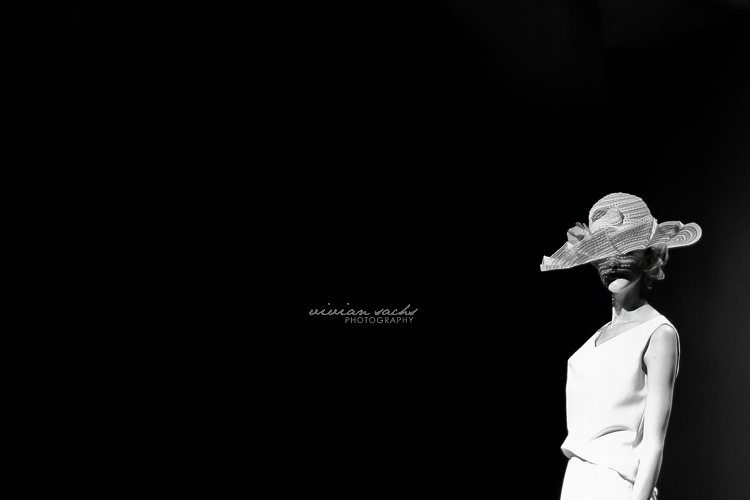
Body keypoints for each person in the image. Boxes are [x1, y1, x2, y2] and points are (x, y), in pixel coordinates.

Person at [541, 193, 702, 500]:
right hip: (576, 483)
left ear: (650, 258)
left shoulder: (657, 333)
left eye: (626, 250)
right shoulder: (596, 339)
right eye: (603, 253)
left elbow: (654, 443)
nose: (613, 263)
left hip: (616, 487)